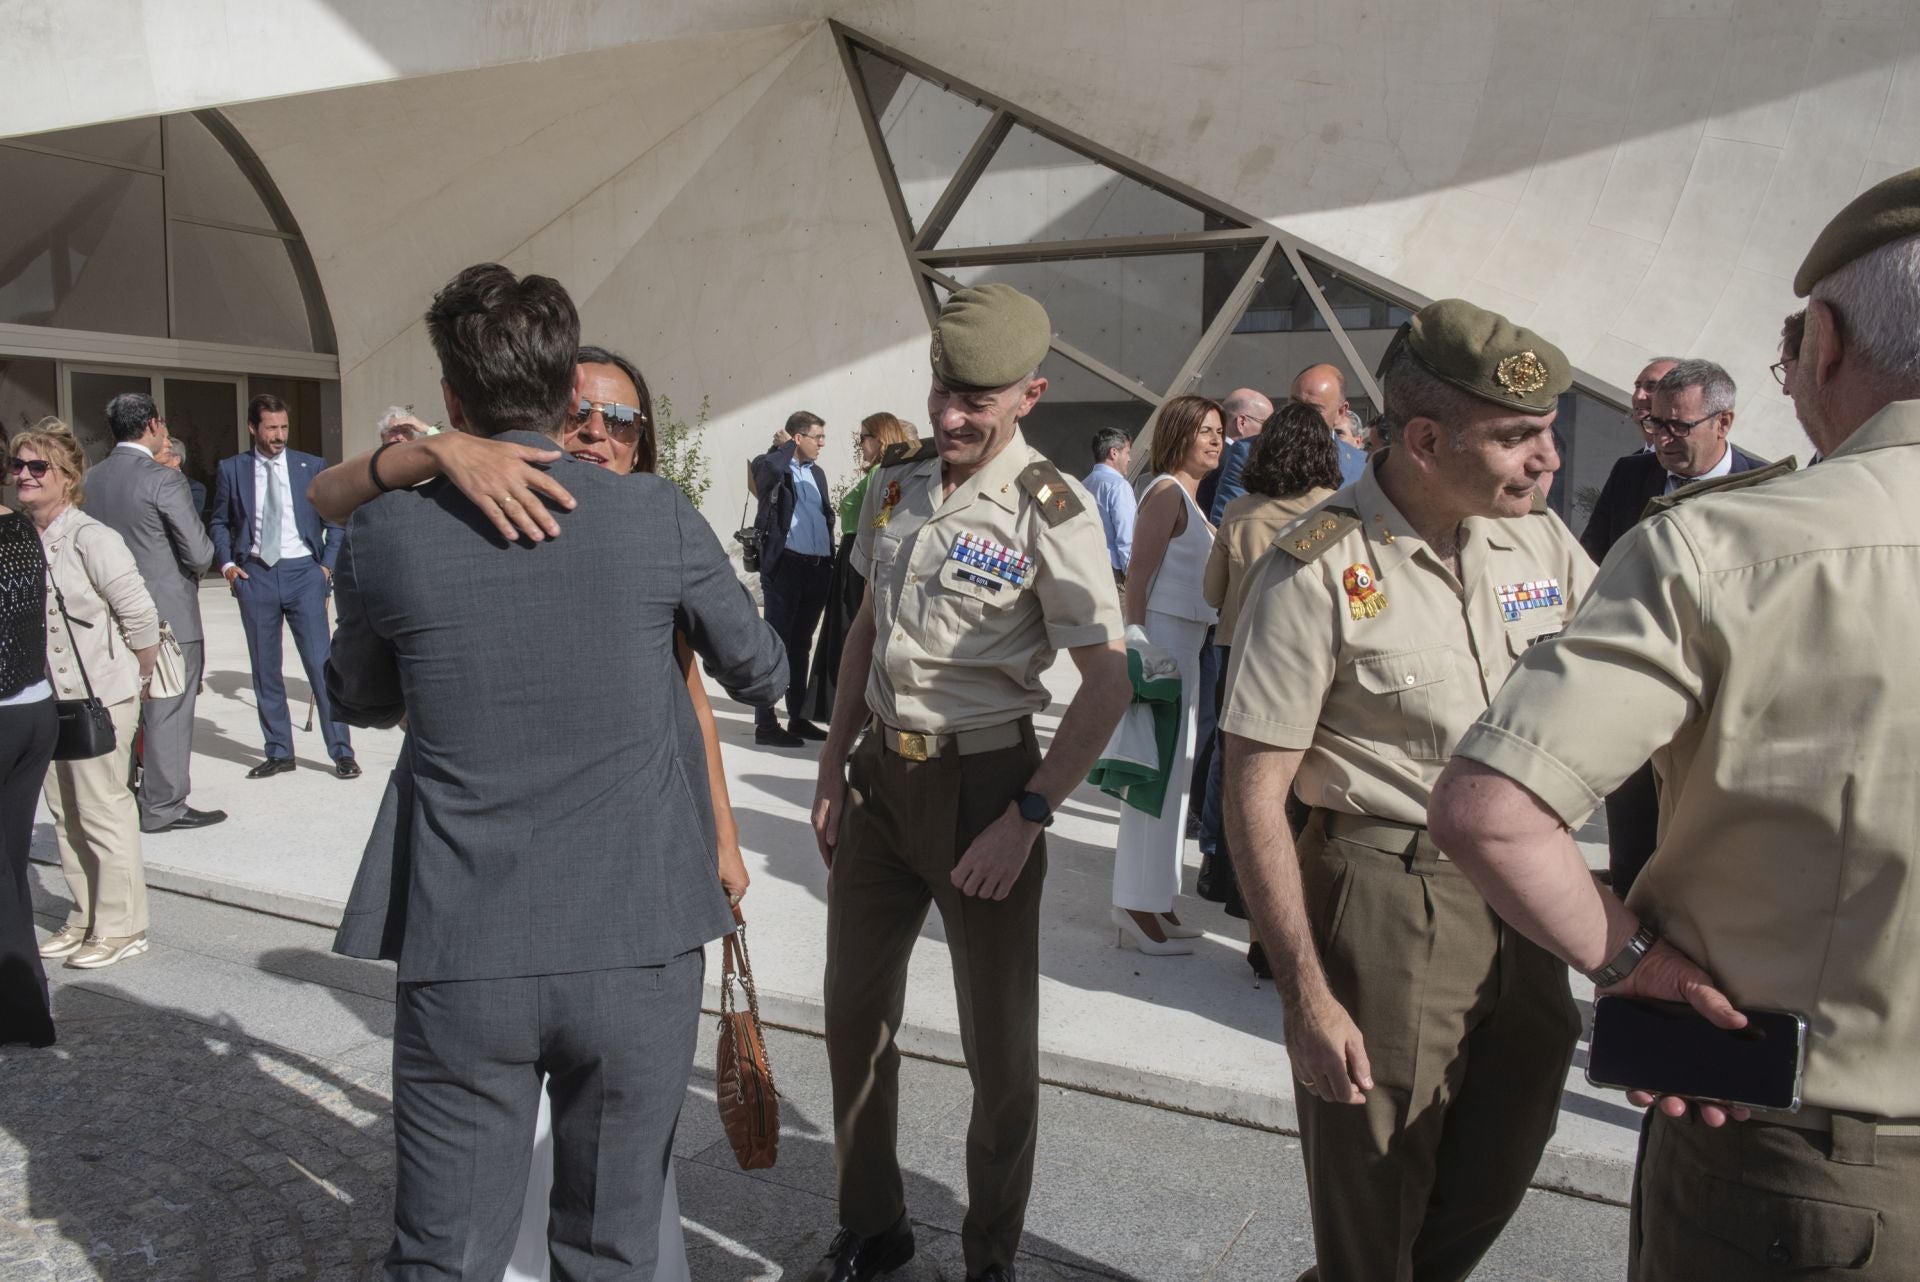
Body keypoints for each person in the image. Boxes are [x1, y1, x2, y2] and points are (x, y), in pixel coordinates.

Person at [1427, 166, 1920, 1282]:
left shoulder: (1726, 548)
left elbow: (1489, 809)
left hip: (1796, 1169)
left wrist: (1635, 962)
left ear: (1826, 343)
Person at [325, 263, 785, 1279]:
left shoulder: (388, 529)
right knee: (614, 1242)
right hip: (638, 937)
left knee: (445, 1250)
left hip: (466, 939)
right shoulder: (654, 515)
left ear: (452, 399)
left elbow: (355, 694)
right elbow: (763, 669)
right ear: (566, 393)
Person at [1221, 299, 1596, 1282]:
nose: (1544, 458)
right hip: (1389, 897)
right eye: (1516, 437)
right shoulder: (1313, 567)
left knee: (1496, 1166)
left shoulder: (1540, 544)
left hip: (1527, 893)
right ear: (1425, 439)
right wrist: (1304, 994)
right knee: (1375, 1204)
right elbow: (1254, 792)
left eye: (1547, 432)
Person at [806, 283, 1128, 1282]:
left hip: (986, 783)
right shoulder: (896, 485)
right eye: (944, 388)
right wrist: (830, 763)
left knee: (1000, 1054)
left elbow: (1108, 684)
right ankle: (876, 1227)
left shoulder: (1053, 511)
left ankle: (989, 1257)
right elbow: (864, 627)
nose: (951, 414)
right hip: (879, 786)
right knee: (853, 1015)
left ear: (1029, 395)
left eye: (977, 399)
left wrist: (1027, 818)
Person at [1577, 358, 1769, 896]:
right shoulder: (1629, 475)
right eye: (1654, 424)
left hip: (1720, 710)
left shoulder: (1770, 488)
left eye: (1677, 427)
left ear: (1723, 423)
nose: (1661, 438)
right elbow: (1592, 566)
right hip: (1636, 700)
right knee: (1635, 863)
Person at [1199, 401, 1343, 974]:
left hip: (1239, 654)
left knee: (1250, 791)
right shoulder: (1337, 514)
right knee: (1309, 795)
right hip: (1314, 660)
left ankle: (1261, 932)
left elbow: (1213, 593)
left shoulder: (1239, 510)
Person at [13, 425, 158, 972]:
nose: (23, 475)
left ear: (68, 478)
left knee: (103, 812)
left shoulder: (92, 538)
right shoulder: (25, 538)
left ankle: (124, 927)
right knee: (66, 812)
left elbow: (141, 621)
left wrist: (128, 685)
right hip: (46, 702)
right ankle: (87, 915)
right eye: (17, 466)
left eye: (37, 467)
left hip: (100, 700)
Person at [1110, 394, 1222, 956]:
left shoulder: (1193, 502)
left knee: (1174, 777)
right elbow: (1138, 575)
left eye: (1219, 430)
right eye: (1204, 429)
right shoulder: (1165, 492)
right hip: (1164, 644)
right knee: (1154, 780)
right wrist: (1136, 640)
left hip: (1188, 644)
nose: (1215, 439)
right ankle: (1134, 905)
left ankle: (1156, 900)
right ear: (1179, 432)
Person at [83, 393, 224, 834]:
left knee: (121, 707)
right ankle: (163, 806)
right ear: (153, 424)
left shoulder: (91, 478)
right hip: (166, 613)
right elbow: (201, 554)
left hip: (109, 613)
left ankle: (121, 797)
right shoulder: (163, 480)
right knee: (168, 709)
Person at [210, 394, 359, 780]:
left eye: (284, 427)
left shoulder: (311, 466)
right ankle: (279, 752)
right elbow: (219, 521)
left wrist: (325, 566)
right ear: (252, 428)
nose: (279, 436)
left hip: (304, 574)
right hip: (255, 575)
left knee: (321, 665)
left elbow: (336, 519)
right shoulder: (232, 469)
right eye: (271, 428)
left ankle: (341, 751)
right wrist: (227, 565)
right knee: (265, 670)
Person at [803, 412, 915, 726]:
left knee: (854, 633)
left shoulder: (885, 472)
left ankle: (858, 714)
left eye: (863, 436)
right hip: (853, 554)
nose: (859, 443)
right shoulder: (879, 471)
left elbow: (883, 519)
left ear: (881, 438)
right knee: (847, 632)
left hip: (860, 556)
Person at [0, 497, 57, 1047]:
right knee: (10, 868)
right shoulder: (19, 527)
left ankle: (22, 1014)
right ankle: (27, 1011)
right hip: (34, 711)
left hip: (6, 713)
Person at [749, 409, 834, 747]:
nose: (823, 444)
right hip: (785, 567)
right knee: (776, 644)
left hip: (817, 568)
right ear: (797, 438)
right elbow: (767, 474)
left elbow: (824, 515)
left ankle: (798, 717)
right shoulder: (771, 463)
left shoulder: (819, 473)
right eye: (818, 437)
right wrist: (783, 448)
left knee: (801, 645)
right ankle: (765, 722)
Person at [1198, 387, 1276, 524]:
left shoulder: (1201, 456)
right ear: (1242, 423)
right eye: (1267, 426)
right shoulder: (1234, 462)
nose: (1271, 434)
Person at [1290, 364, 1368, 485]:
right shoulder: (1253, 454)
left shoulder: (1364, 468)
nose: (1300, 414)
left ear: (1341, 412)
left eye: (1313, 408)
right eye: (1295, 403)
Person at [1082, 425, 1137, 590]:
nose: (1130, 458)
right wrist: (1133, 578)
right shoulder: (1119, 486)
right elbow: (1127, 538)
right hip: (1115, 575)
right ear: (1114, 452)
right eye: (1127, 452)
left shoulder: (1083, 484)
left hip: (1087, 570)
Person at [1628, 356, 1681, 449]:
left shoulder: (1692, 462)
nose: (1638, 396)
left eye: (1652, 387)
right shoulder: (1626, 463)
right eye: (1637, 387)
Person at [156, 436, 207, 521]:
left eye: (162, 459)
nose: (156, 464)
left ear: (176, 460)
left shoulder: (194, 488)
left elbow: (187, 519)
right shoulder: (150, 484)